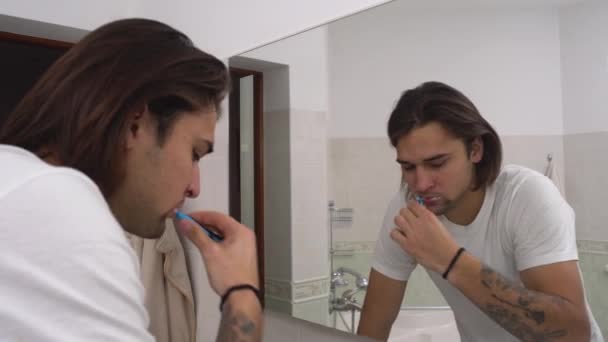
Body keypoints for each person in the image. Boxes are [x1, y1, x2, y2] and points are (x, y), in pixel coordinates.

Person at [0, 18, 262, 341]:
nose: (195, 187)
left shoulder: (19, 180)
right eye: (195, 152)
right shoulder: (62, 211)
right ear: (135, 124)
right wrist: (243, 293)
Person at [357, 81, 602, 341]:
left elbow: (575, 334)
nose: (421, 184)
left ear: (475, 149)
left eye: (437, 163)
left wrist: (449, 259)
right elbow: (376, 321)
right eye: (408, 167)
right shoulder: (407, 210)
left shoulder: (526, 196)